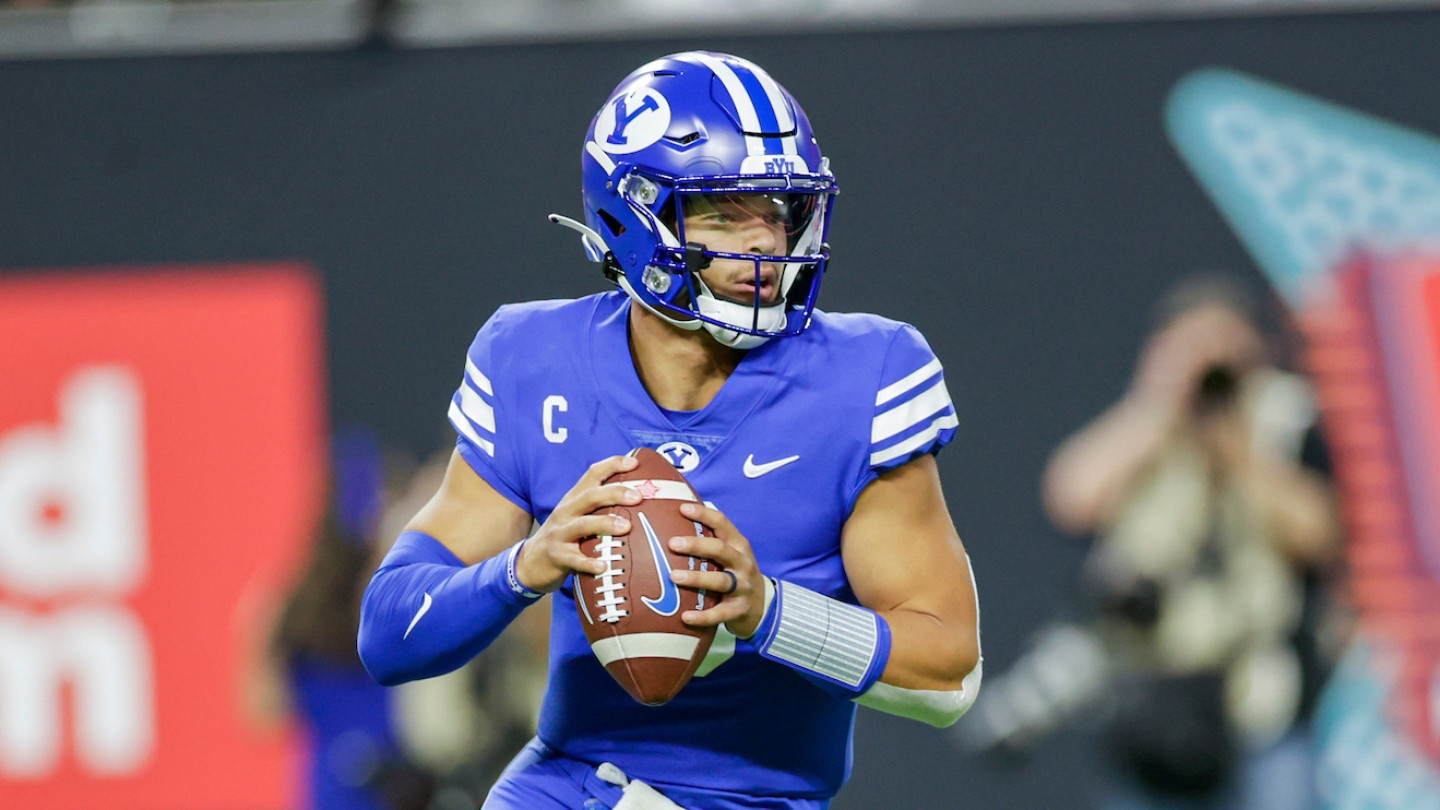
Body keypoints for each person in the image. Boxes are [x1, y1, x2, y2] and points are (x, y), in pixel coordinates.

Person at [357, 51, 982, 810]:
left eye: (780, 209)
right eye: (724, 209)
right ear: (632, 215)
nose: (765, 243)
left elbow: (947, 674)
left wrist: (766, 611)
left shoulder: (866, 372)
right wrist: (526, 566)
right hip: (571, 784)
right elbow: (389, 635)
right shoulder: (533, 359)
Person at [1040, 278, 1340, 810]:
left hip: (1263, 705)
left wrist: (1240, 454)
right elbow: (1071, 496)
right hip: (1156, 700)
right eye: (1193, 344)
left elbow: (1320, 535)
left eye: (1225, 344)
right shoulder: (1146, 424)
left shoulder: (1288, 422)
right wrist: (1160, 402)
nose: (1212, 360)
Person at [245, 426, 433, 810]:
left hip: (331, 786)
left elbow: (265, 713)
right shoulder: (393, 595)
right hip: (395, 785)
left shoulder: (285, 605)